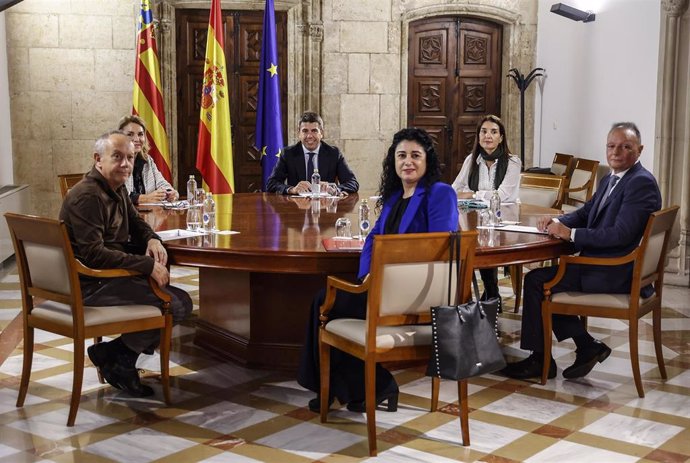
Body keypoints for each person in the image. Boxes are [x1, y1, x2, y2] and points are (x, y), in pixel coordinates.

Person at [297, 127, 459, 412]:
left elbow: (437, 248)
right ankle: (364, 386)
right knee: (322, 302)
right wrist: (366, 276)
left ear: (427, 160)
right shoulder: (395, 197)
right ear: (393, 162)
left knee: (325, 302)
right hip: (383, 289)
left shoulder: (439, 193)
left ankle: (361, 386)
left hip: (416, 296)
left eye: (415, 155)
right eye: (401, 156)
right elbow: (373, 238)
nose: (407, 162)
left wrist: (388, 275)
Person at [501, 122, 661, 380]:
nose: (616, 152)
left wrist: (571, 234)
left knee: (537, 282)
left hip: (616, 271)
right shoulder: (613, 178)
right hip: (605, 264)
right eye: (611, 146)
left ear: (639, 150)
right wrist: (560, 222)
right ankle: (586, 346)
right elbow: (588, 212)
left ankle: (541, 361)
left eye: (625, 147)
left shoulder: (640, 184)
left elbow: (621, 234)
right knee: (546, 282)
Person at [59, 130, 193, 397]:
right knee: (175, 304)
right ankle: (119, 356)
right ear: (98, 159)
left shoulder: (116, 187)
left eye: (130, 158)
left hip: (106, 276)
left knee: (174, 298)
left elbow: (137, 224)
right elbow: (94, 254)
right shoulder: (88, 196)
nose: (126, 164)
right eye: (117, 157)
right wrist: (145, 265)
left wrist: (153, 240)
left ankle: (116, 354)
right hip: (90, 284)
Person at [452, 114, 521, 301]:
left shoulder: (513, 162)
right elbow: (454, 190)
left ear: (501, 137)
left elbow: (502, 195)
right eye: (483, 131)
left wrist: (473, 194)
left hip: (504, 220)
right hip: (475, 218)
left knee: (485, 243)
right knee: (473, 241)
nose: (488, 136)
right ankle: (489, 295)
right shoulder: (471, 160)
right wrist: (474, 194)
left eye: (493, 132)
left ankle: (491, 294)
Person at [266, 111, 359, 196]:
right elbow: (271, 183)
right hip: (296, 208)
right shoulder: (287, 154)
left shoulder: (333, 153)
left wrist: (334, 189)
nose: (309, 136)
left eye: (314, 131)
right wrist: (291, 189)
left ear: (321, 133)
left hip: (325, 209)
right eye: (305, 131)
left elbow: (352, 183)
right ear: (299, 133)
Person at [118, 115, 179, 205]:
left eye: (140, 134)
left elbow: (163, 184)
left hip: (146, 214)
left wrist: (170, 193)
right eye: (130, 134)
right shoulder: (116, 162)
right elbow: (117, 196)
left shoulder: (147, 160)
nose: (136, 139)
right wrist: (145, 198)